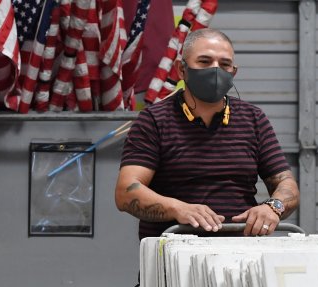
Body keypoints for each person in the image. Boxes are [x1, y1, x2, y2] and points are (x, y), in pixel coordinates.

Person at [115, 28, 300, 238]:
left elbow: (287, 184)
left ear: (233, 72)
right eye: (204, 61)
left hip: (241, 255)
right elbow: (126, 191)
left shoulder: (253, 119)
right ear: (181, 70)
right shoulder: (154, 120)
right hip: (174, 255)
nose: (215, 70)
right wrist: (178, 208)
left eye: (224, 64)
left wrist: (272, 207)